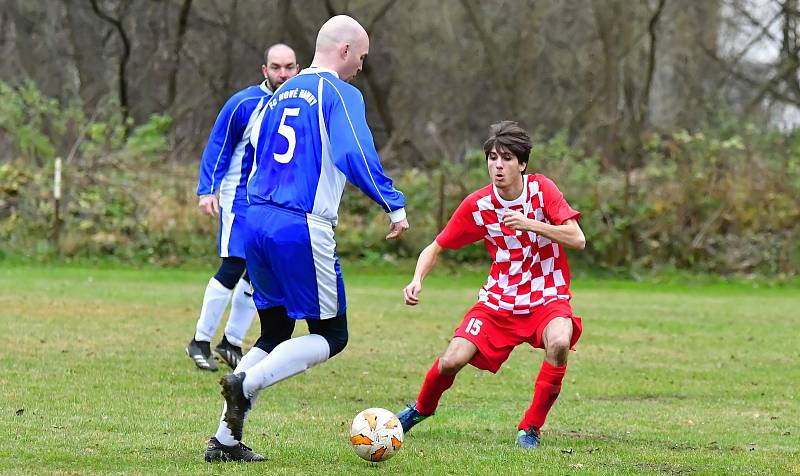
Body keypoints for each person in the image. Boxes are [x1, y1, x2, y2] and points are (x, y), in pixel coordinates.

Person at [203, 15, 410, 462]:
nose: (361, 68)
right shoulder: (338, 92)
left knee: (275, 330)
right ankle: (246, 382)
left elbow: (256, 153)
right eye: (362, 58)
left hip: (255, 219)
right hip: (298, 224)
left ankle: (223, 440)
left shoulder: (276, 97)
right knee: (332, 335)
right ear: (345, 51)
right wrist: (392, 202)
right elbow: (354, 151)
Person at [395, 121, 586, 449]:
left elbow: (577, 238)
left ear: (522, 163)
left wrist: (531, 224)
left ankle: (530, 429)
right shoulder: (479, 205)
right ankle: (421, 409)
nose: (498, 165)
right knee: (452, 359)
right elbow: (436, 246)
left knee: (559, 342)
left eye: (507, 158)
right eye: (493, 158)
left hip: (547, 295)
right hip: (499, 299)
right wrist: (416, 280)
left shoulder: (542, 190)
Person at [188, 44, 300, 372]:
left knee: (259, 275)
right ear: (264, 70)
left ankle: (231, 342)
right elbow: (218, 146)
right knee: (232, 267)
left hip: (273, 207)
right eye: (276, 67)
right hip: (239, 202)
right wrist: (207, 190)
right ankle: (200, 340)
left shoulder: (299, 104)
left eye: (289, 67)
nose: (283, 73)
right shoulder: (244, 103)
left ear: (298, 68)